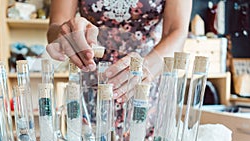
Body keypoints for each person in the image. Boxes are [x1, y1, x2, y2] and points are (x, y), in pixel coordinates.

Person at [46, 0, 192, 102]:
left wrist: (145, 68)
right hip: (91, 83)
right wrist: (64, 32)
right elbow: (55, 27)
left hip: (147, 80)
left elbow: (177, 32)